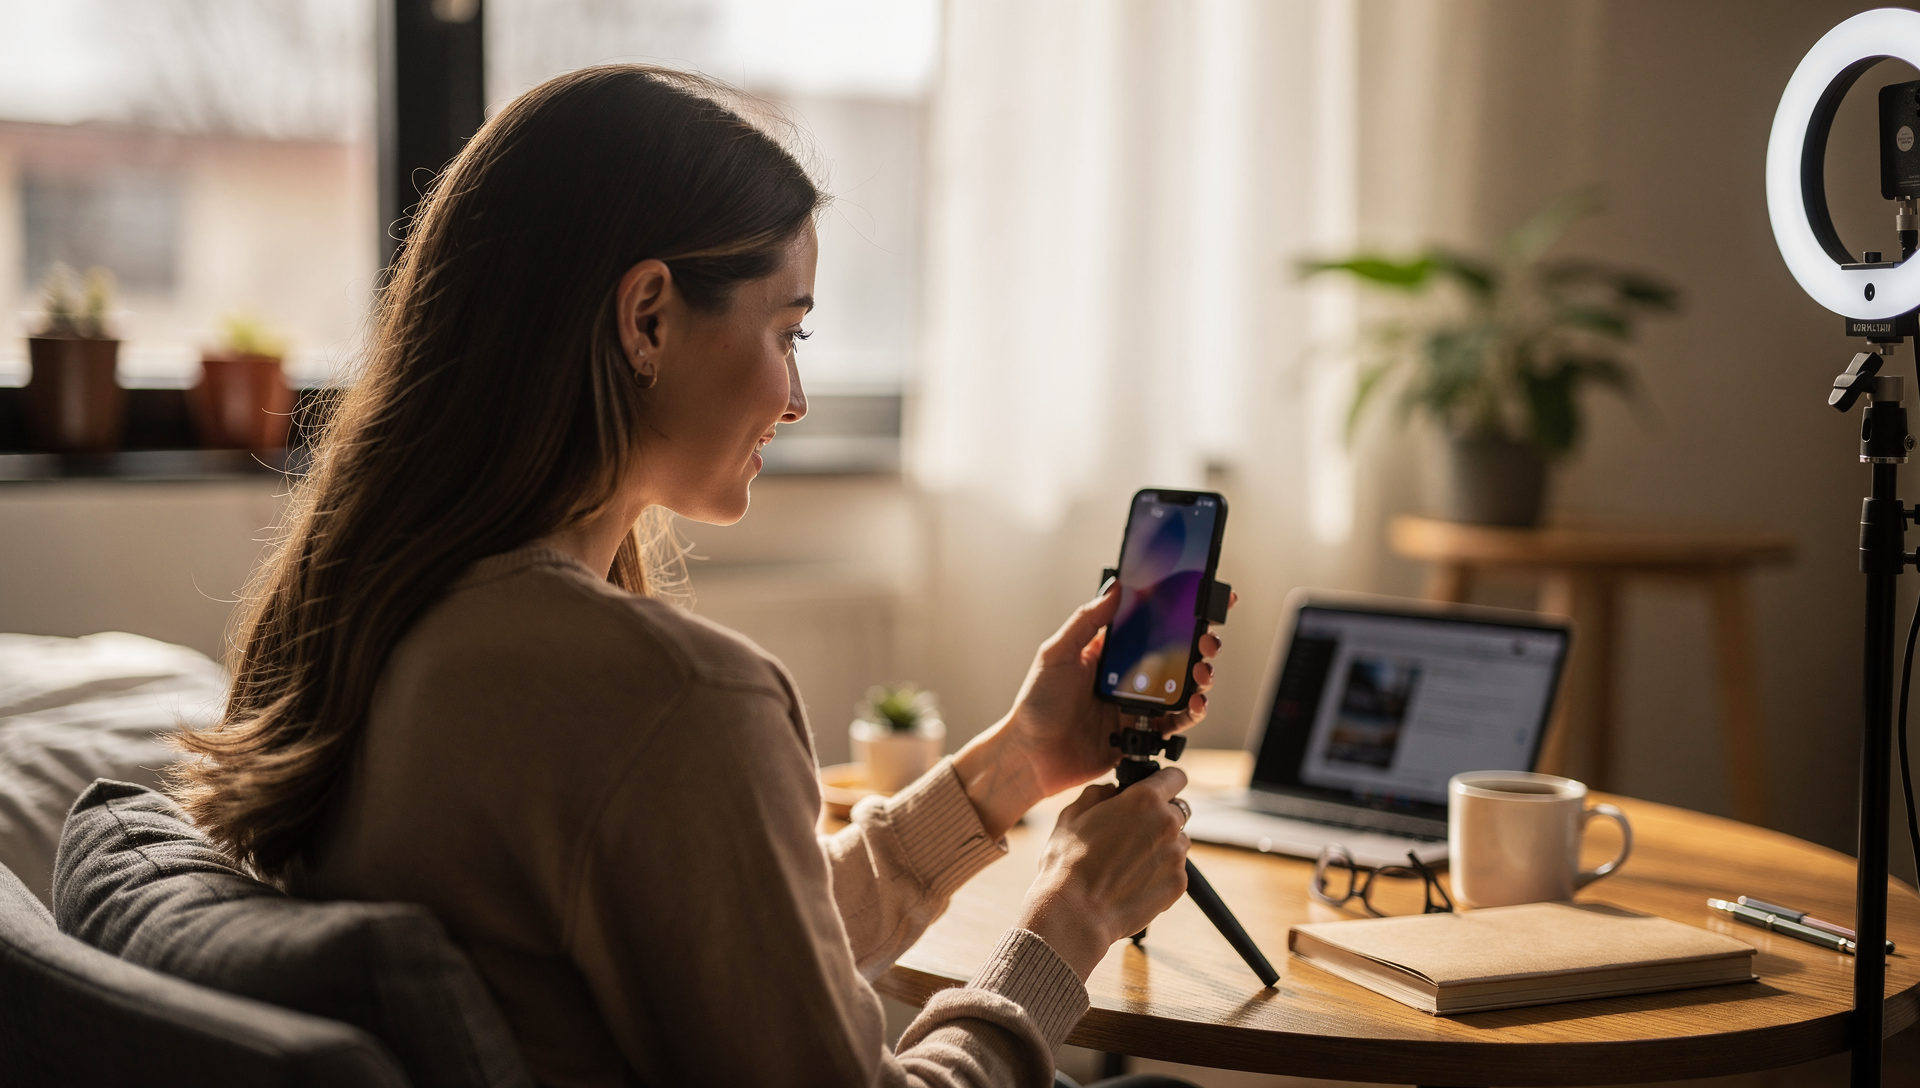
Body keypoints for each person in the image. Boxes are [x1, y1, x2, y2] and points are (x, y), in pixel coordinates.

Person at [172, 65, 1218, 1088]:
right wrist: (1069, 918)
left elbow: (735, 955)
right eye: (787, 331)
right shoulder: (672, 696)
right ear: (648, 318)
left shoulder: (363, 608)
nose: (798, 394)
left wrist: (1015, 767)